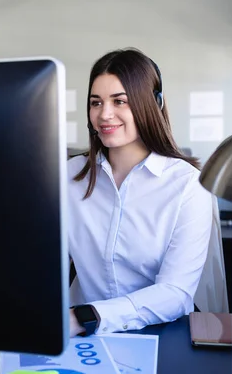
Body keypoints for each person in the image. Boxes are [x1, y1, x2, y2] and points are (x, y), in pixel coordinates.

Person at [67, 48, 214, 337]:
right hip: (77, 336)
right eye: (96, 103)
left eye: (119, 101)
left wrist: (87, 317)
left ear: (153, 104)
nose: (104, 114)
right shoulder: (70, 176)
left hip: (157, 333)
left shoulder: (187, 185)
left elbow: (176, 292)